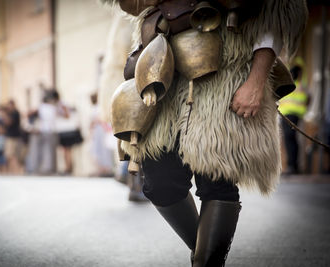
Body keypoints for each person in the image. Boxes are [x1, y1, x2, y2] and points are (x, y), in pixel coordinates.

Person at [103, 0, 307, 266]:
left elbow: (275, 13)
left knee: (216, 176)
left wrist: (256, 82)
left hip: (226, 73)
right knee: (159, 181)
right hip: (164, 72)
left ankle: (206, 262)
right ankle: (207, 254)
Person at [279, 62, 309, 175]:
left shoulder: (298, 84)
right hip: (290, 115)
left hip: (291, 115)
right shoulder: (299, 84)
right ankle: (293, 165)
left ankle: (292, 166)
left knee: (290, 140)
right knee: (291, 140)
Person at [4, 100, 22, 174]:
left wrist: (5, 115)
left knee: (13, 155)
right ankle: (11, 170)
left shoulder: (15, 113)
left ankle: (15, 170)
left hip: (13, 137)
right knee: (9, 155)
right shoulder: (11, 113)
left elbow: (9, 122)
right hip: (10, 136)